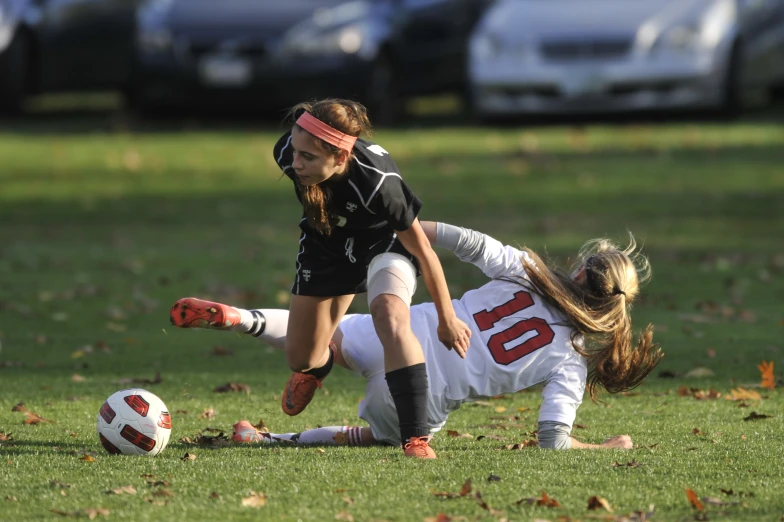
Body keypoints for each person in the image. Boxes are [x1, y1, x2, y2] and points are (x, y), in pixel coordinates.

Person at [172, 222, 663, 453]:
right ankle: (266, 439)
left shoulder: (528, 271)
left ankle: (241, 318)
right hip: (421, 393)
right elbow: (552, 440)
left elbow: (469, 242)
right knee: (374, 437)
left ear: (579, 269)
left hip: (403, 328)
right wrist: (602, 448)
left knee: (329, 335)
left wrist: (408, 227)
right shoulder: (572, 358)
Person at [170, 99, 470, 459]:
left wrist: (447, 318)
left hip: (384, 245)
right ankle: (320, 362)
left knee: (390, 318)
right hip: (325, 242)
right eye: (295, 152)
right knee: (302, 358)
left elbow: (424, 252)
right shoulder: (289, 151)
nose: (295, 164)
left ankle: (415, 438)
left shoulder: (380, 186)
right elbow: (301, 165)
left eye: (308, 158)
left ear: (341, 158)